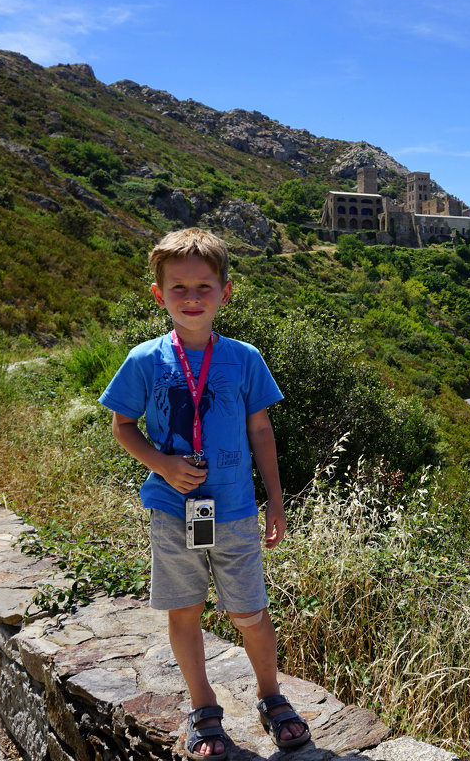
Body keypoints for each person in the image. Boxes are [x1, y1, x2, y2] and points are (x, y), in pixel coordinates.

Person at [98, 228, 310, 759]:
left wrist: (276, 502)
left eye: (203, 287)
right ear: (158, 294)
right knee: (185, 611)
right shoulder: (145, 359)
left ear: (225, 293)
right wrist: (163, 465)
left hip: (235, 510)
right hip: (174, 510)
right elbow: (123, 425)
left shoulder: (244, 358)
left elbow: (261, 431)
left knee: (250, 613)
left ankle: (271, 696)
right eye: (178, 289)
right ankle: (203, 707)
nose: (192, 299)